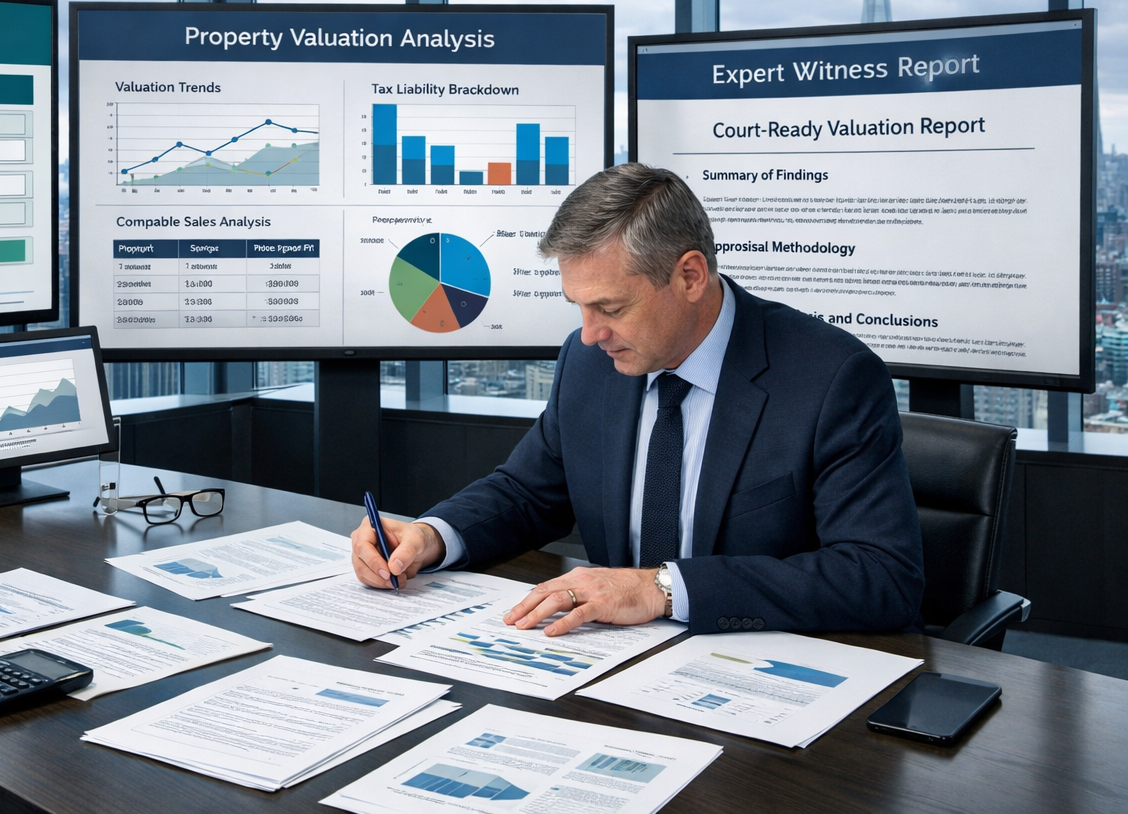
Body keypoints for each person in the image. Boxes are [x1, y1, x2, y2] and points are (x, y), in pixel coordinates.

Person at [352, 163, 924, 637]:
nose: (589, 332)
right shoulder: (590, 360)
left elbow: (880, 577)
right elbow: (528, 492)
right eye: (578, 305)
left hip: (758, 671)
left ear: (690, 276)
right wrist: (433, 535)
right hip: (608, 662)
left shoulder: (830, 378)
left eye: (611, 307)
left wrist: (663, 588)